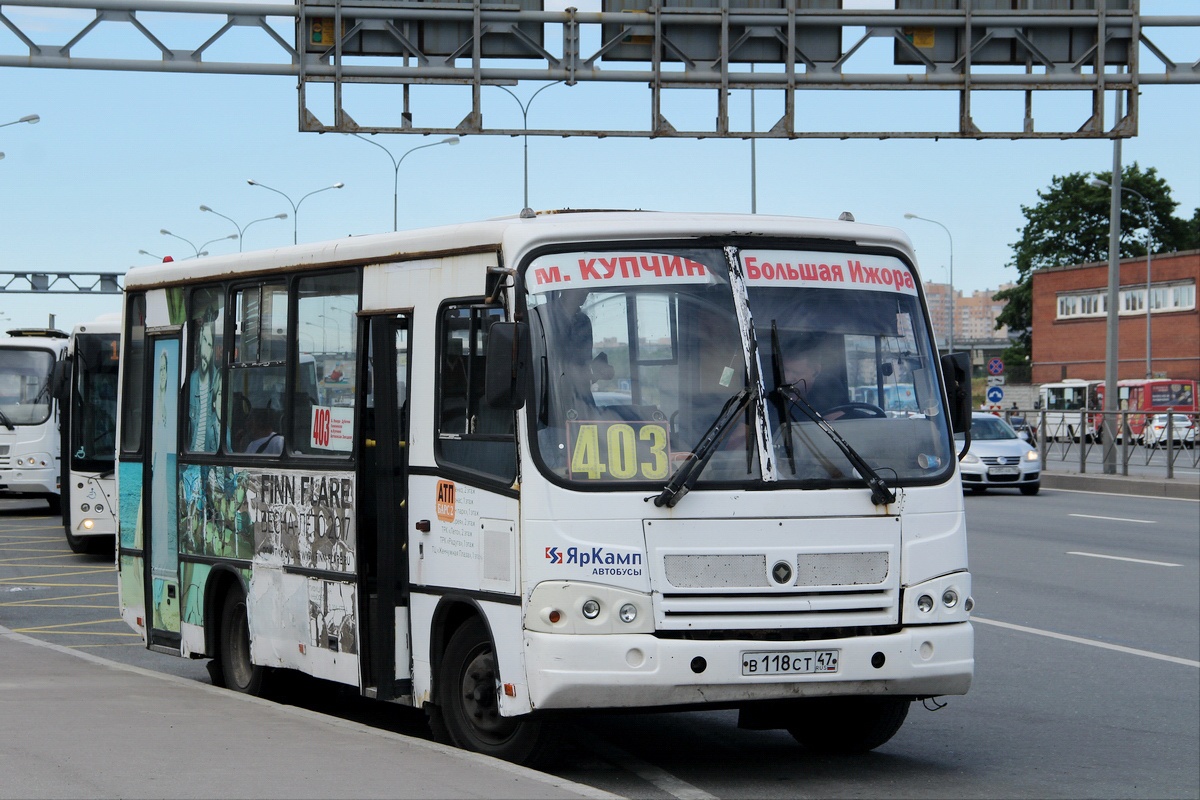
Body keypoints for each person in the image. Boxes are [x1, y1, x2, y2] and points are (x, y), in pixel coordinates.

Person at [187, 315, 222, 452]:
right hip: (192, 456)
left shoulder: (218, 380)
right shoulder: (191, 380)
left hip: (210, 455)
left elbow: (222, 427)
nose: (205, 350)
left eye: (209, 344)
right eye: (203, 341)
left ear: (212, 349)